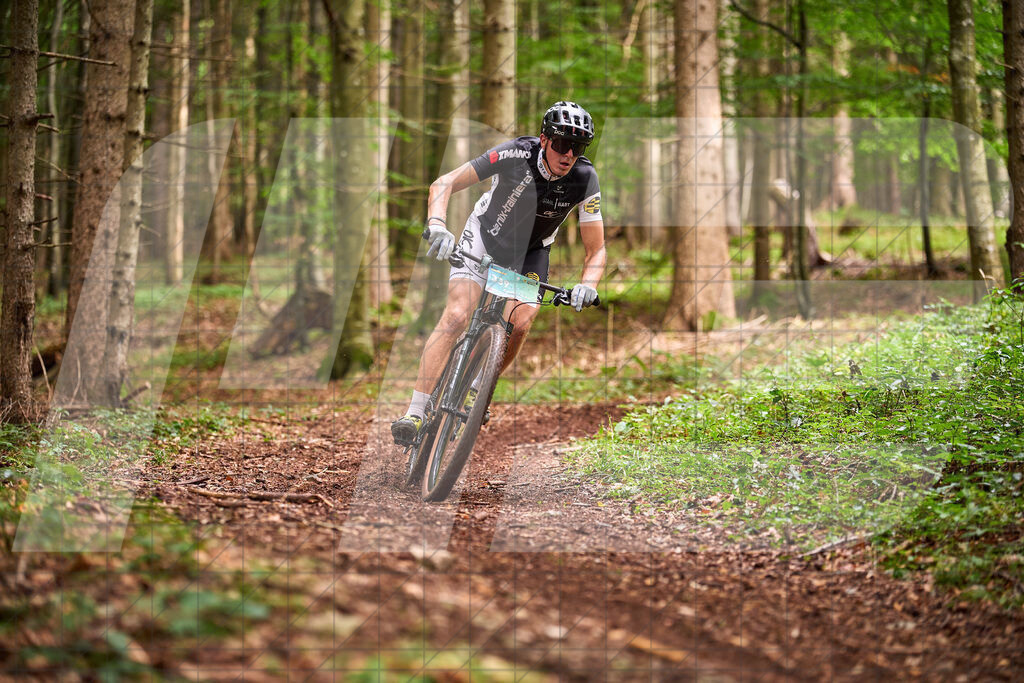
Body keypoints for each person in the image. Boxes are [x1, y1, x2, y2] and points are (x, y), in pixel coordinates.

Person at [391, 101, 606, 446]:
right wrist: (438, 225)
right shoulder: (515, 153)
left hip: (530, 254)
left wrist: (588, 284)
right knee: (457, 315)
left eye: (578, 147)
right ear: (544, 139)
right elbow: (444, 183)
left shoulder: (585, 178)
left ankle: (478, 390)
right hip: (484, 238)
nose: (569, 154)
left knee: (520, 323)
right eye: (562, 143)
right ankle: (415, 413)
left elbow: (596, 249)